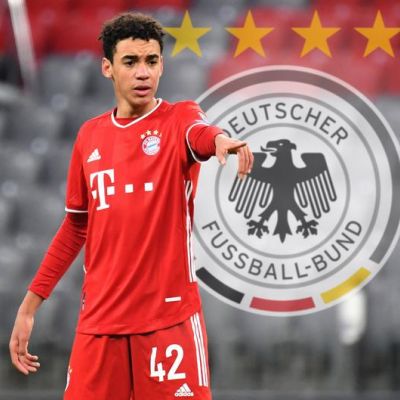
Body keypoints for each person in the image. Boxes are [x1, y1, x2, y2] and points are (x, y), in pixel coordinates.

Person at [9, 12, 253, 400]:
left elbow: (201, 134)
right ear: (107, 67)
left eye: (151, 61)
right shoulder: (89, 136)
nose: (143, 72)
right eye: (130, 61)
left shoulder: (179, 118)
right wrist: (30, 304)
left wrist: (220, 140)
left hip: (167, 322)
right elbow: (76, 227)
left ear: (162, 65)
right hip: (99, 325)